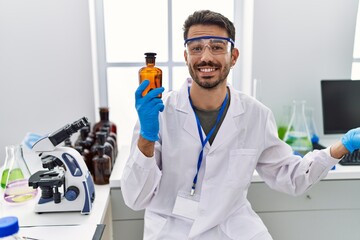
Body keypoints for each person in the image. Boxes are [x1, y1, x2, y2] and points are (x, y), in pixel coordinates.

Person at [121, 10, 360, 240]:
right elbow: (135, 199)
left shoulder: (255, 115)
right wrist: (146, 138)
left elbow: (291, 177)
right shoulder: (159, 113)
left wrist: (342, 146)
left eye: (216, 47)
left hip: (232, 229)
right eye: (196, 48)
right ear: (186, 57)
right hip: (172, 229)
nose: (206, 57)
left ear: (233, 56)